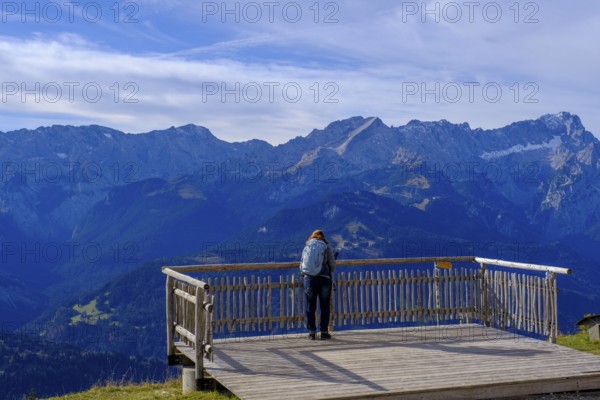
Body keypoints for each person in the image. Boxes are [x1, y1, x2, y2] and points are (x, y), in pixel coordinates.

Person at [300, 229, 336, 340]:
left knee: (310, 306)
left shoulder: (308, 245)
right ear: (323, 237)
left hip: (309, 279)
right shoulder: (326, 245)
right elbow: (332, 264)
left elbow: (302, 264)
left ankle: (312, 332)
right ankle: (324, 332)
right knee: (324, 306)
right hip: (324, 279)